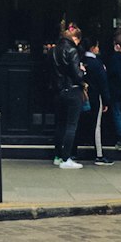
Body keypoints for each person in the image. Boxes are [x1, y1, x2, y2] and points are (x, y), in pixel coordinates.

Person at [51, 22, 85, 169]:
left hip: (58, 91)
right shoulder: (72, 50)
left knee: (60, 124)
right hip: (72, 90)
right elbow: (76, 74)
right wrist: (82, 71)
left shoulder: (54, 50)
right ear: (76, 38)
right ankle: (66, 158)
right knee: (71, 125)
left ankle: (58, 156)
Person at [80, 36, 112, 165]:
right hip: (94, 96)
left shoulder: (80, 60)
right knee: (96, 125)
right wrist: (106, 101)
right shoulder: (97, 64)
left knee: (78, 123)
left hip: (80, 94)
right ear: (93, 48)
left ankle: (72, 152)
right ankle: (99, 155)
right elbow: (103, 84)